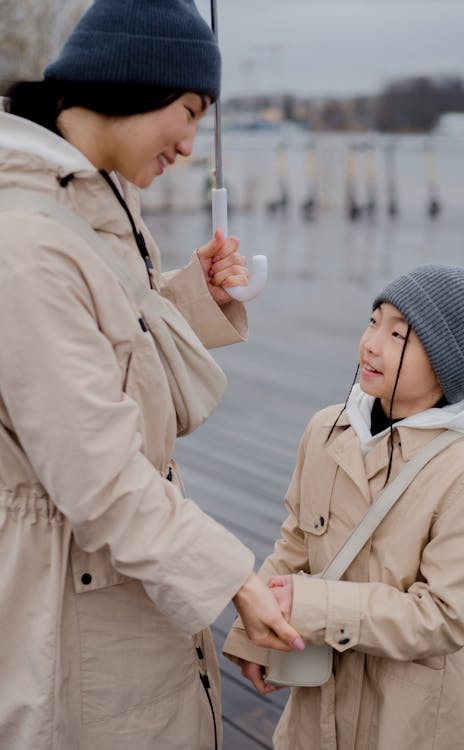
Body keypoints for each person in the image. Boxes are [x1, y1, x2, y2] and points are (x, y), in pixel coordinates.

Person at [0, 2, 305, 749]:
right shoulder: (28, 239)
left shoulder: (85, 203)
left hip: (116, 570)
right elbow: (98, 477)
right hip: (67, 592)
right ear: (135, 83)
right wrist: (235, 580)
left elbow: (104, 343)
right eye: (190, 112)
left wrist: (189, 294)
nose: (191, 145)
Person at [224, 263, 464, 750]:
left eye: (399, 334)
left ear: (447, 363)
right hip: (323, 698)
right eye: (373, 321)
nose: (371, 343)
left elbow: (443, 617)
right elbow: (295, 541)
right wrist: (255, 634)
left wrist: (314, 606)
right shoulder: (328, 430)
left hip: (413, 717)